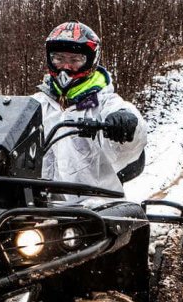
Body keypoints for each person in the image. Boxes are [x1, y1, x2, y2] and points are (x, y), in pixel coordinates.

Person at [32, 21, 147, 193]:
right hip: (35, 204)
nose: (65, 67)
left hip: (94, 202)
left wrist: (126, 123)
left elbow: (135, 135)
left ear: (90, 61)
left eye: (75, 60)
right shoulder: (36, 104)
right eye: (59, 58)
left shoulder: (105, 103)